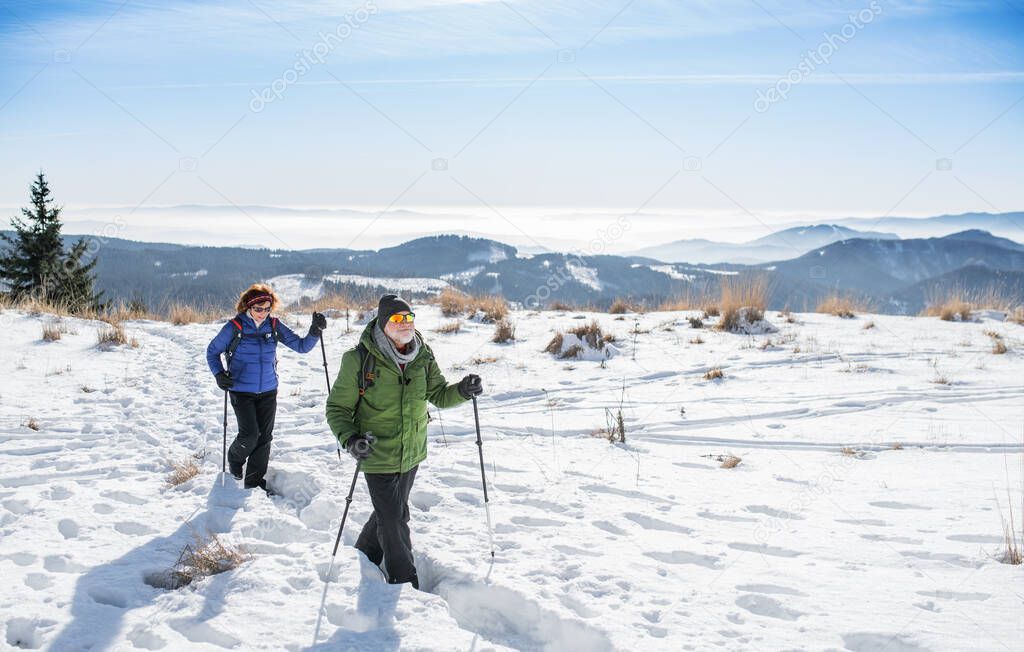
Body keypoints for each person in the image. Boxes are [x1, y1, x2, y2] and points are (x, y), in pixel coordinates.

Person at [325, 294, 482, 588]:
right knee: (396, 519)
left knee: (389, 514)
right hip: (375, 451)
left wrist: (462, 390)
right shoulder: (359, 359)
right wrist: (350, 439)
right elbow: (337, 408)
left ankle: (363, 555)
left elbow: (437, 394)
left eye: (409, 318)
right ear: (384, 325)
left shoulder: (422, 355)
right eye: (398, 319)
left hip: (411, 451)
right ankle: (405, 582)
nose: (405, 324)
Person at [206, 283, 327, 492]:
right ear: (248, 307)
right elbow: (212, 351)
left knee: (264, 438)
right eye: (258, 309)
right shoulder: (234, 327)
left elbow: (301, 346)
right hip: (241, 390)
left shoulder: (274, 325)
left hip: (269, 390)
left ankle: (253, 483)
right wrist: (218, 374)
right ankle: (235, 458)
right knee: (250, 435)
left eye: (267, 308)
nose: (263, 313)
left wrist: (314, 331)